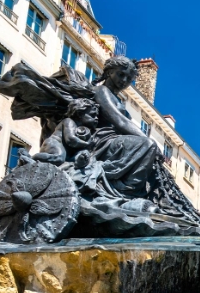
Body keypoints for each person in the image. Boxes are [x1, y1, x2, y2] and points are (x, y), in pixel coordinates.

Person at [90, 56, 159, 199]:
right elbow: (120, 121)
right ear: (109, 72)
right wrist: (148, 142)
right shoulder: (101, 91)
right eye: (121, 74)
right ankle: (128, 191)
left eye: (129, 79)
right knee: (149, 145)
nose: (124, 81)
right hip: (102, 141)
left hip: (115, 142)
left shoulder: (117, 99)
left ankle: (135, 192)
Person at [34, 99, 99, 165]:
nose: (96, 118)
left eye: (97, 116)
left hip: (63, 149)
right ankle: (33, 159)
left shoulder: (80, 128)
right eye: (93, 115)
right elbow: (71, 139)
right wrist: (87, 143)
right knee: (59, 158)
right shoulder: (69, 121)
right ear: (79, 114)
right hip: (54, 143)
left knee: (64, 161)